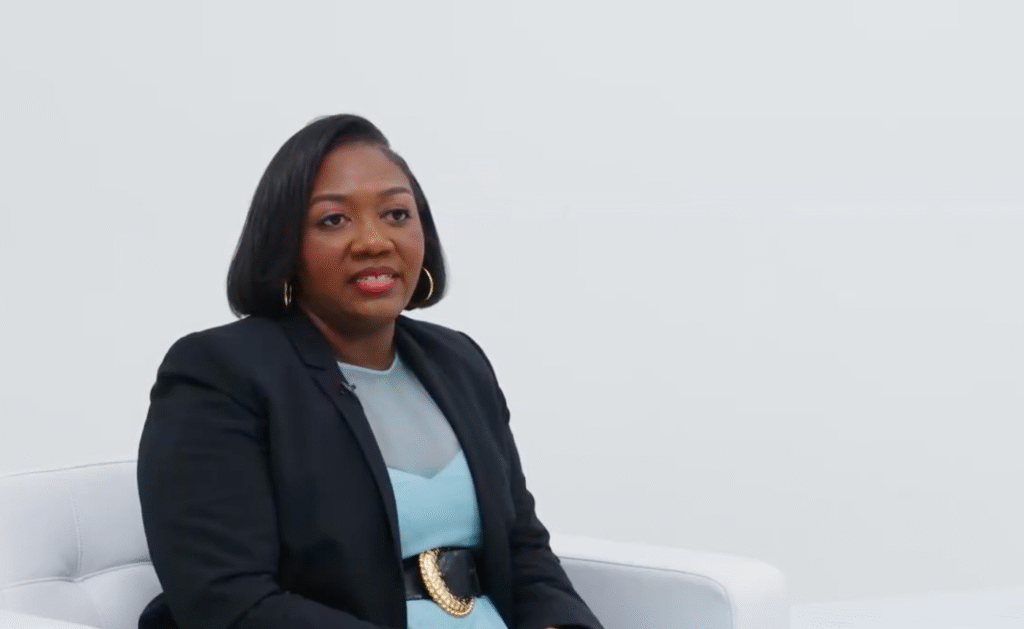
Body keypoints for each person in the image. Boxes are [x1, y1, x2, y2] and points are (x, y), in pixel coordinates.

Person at [136, 114, 603, 629]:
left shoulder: (459, 363)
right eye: (334, 220)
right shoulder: (219, 374)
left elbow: (523, 551)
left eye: (396, 214)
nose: (375, 240)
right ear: (285, 246)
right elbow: (227, 599)